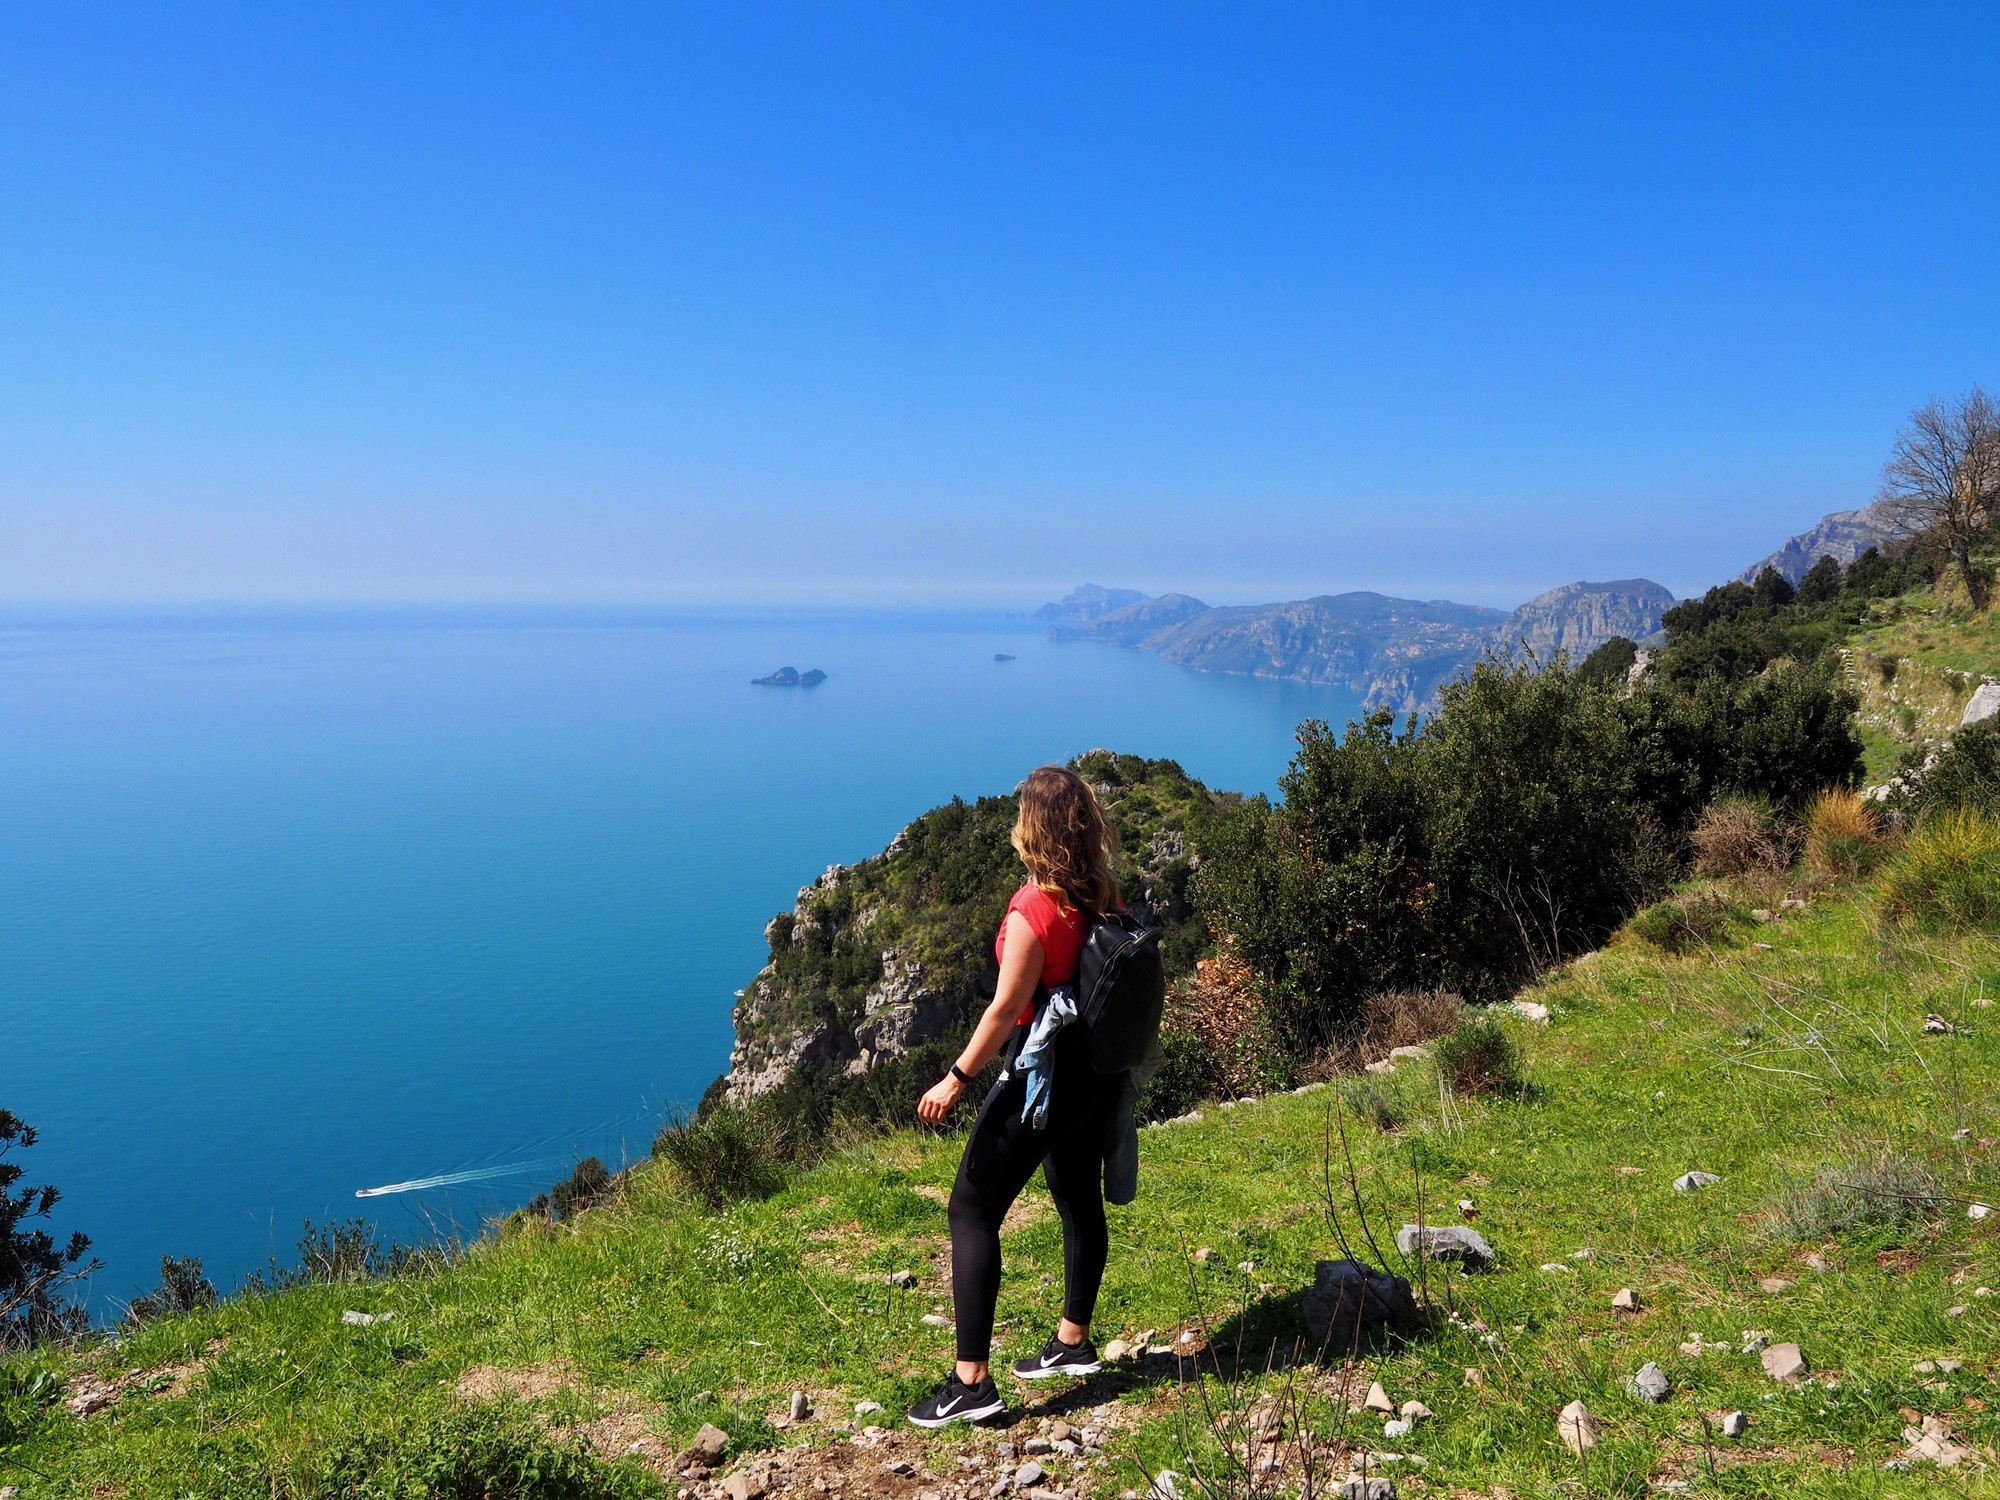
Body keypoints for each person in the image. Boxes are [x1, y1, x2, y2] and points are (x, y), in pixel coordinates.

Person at [906, 765, 1127, 1428]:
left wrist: (955, 1079)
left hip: (1042, 1075)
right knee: (1077, 1198)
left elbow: (1006, 1010)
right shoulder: (1103, 891)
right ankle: (1072, 1341)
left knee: (971, 1211)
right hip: (1094, 1074)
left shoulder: (1035, 910)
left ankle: (971, 1383)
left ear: (1031, 829)